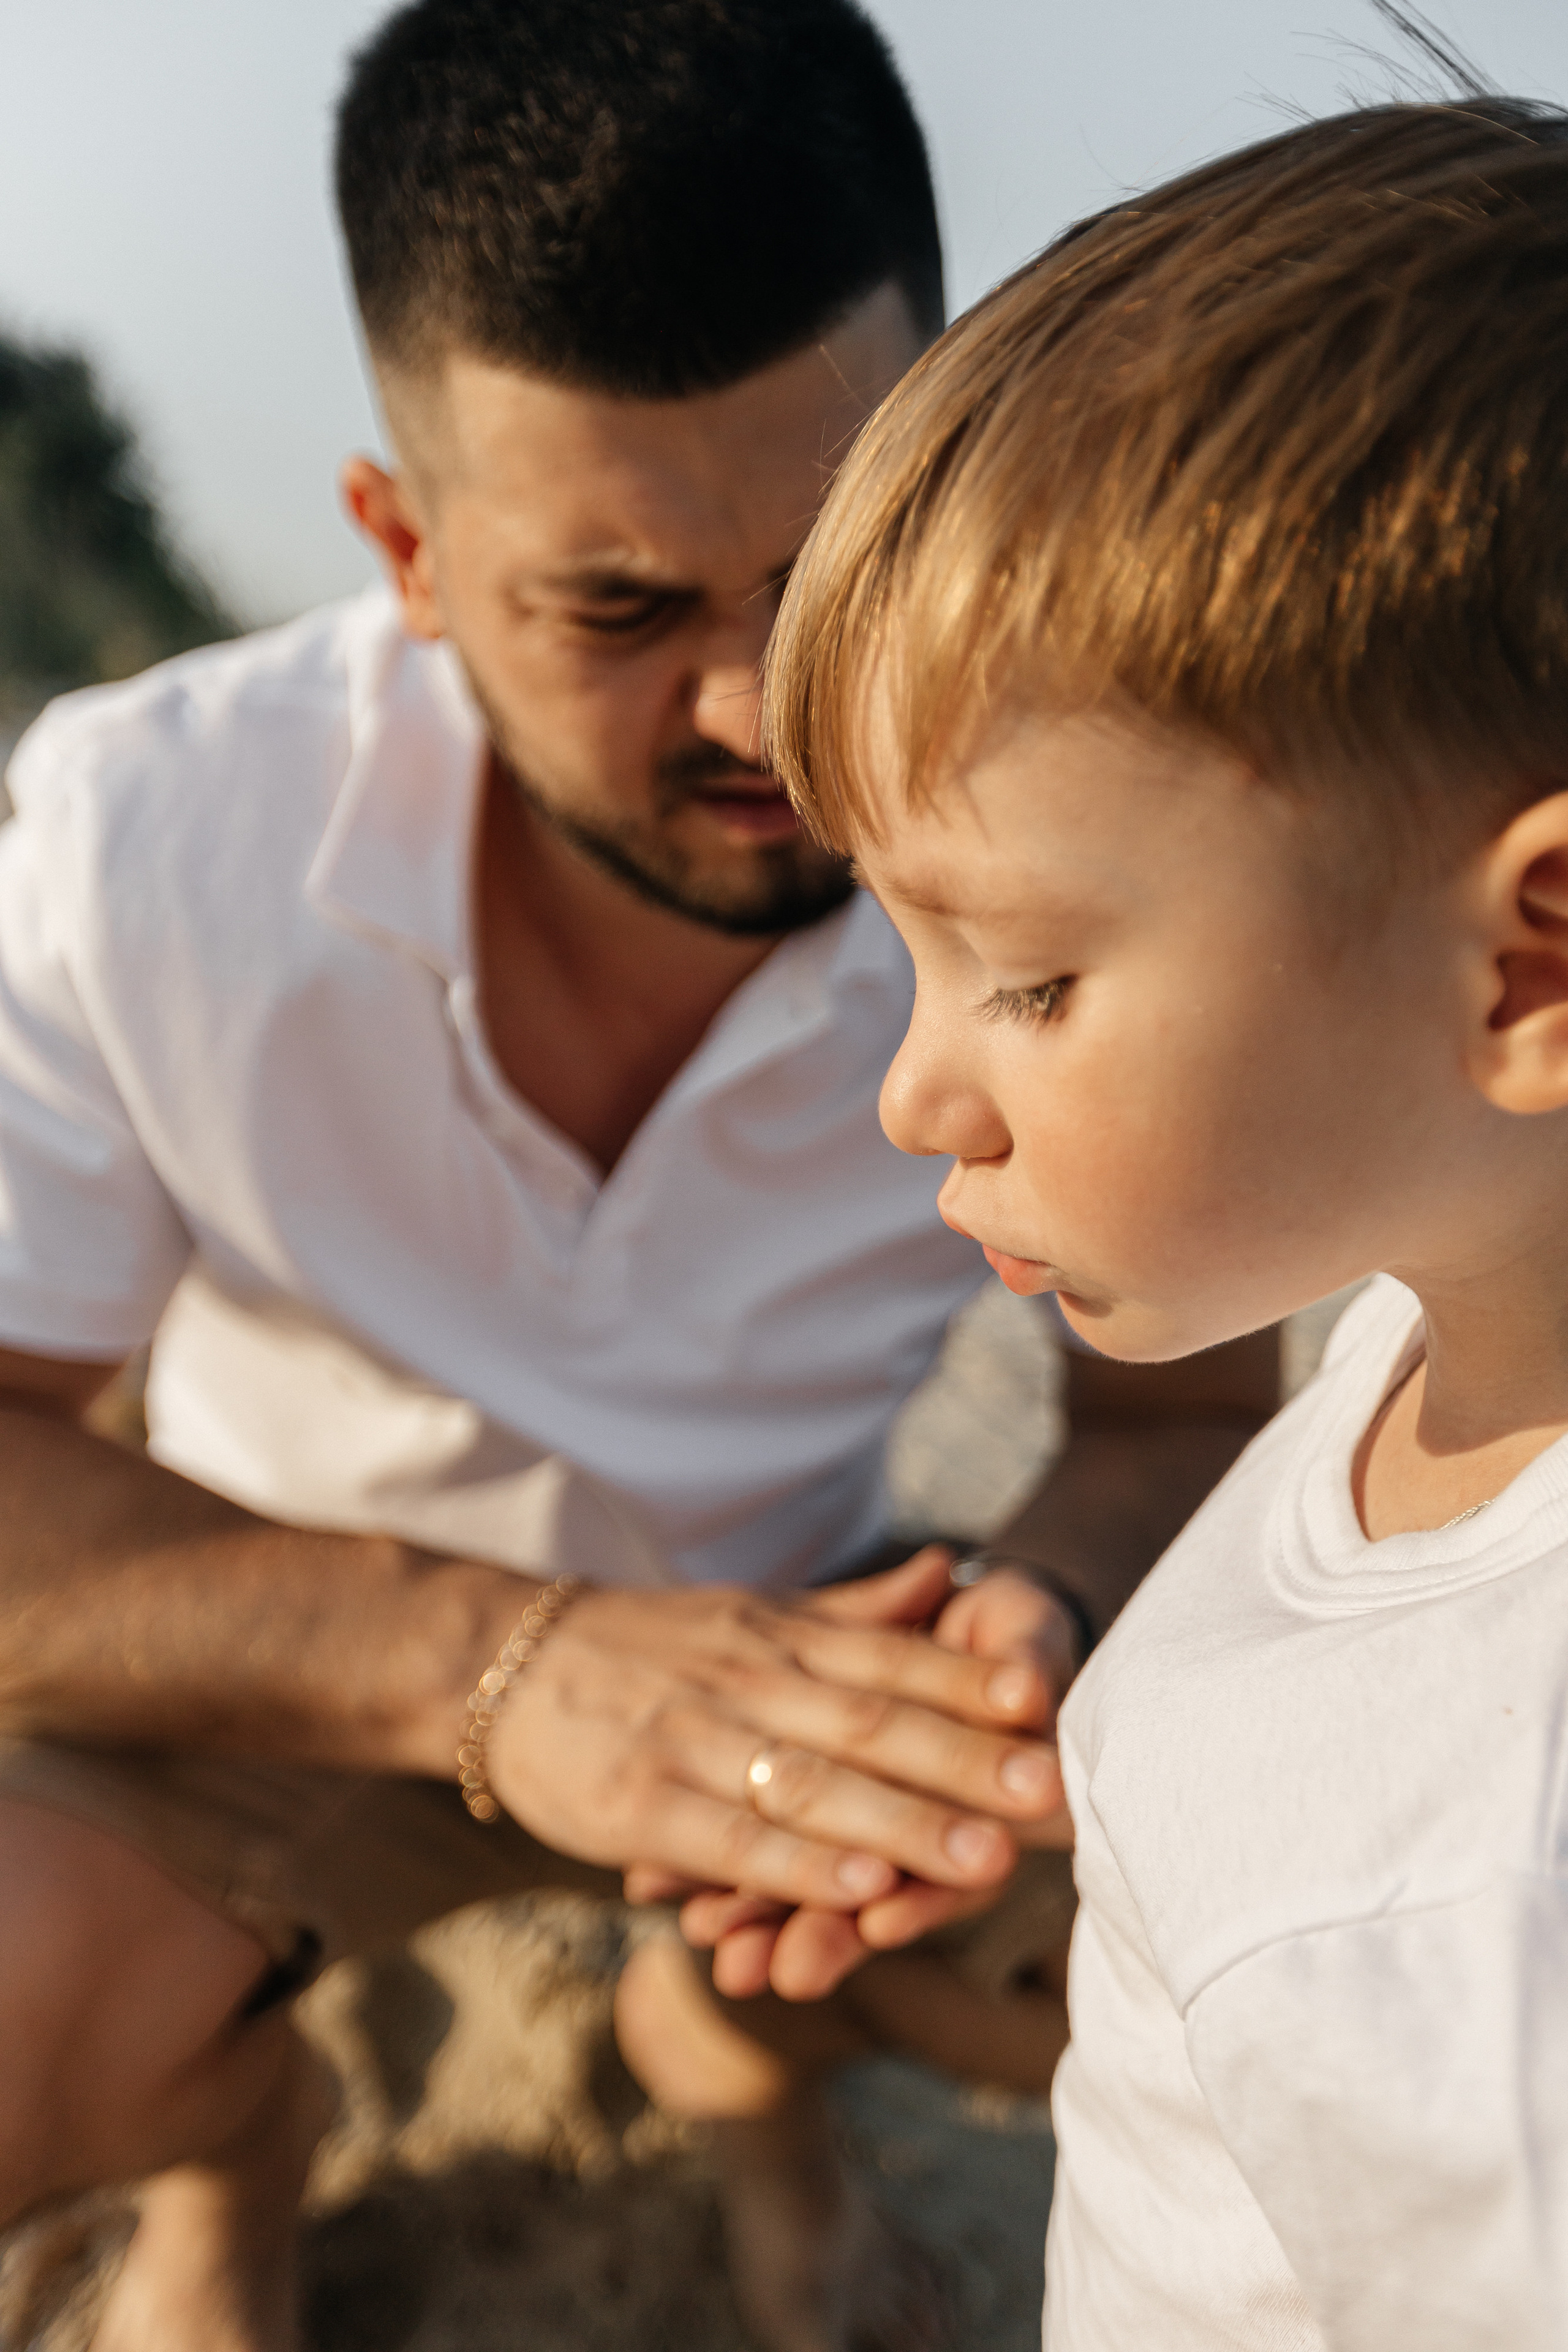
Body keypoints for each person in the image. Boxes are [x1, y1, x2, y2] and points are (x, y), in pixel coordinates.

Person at [0, 5, 1278, 2348]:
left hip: (817, 1653)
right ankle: (225, 2149)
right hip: (265, 1684)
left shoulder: (1105, 844)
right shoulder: (138, 834)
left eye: (829, 569)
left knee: (1227, 1967)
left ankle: (735, 2055)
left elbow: (1173, 1428)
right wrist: (507, 1670)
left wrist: (1037, 1620)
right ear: (404, 546)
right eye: (619, 608)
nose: (760, 711)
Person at [763, 84, 1568, 2352]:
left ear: (1535, 963)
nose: (920, 1082)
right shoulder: (1455, 1339)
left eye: (1024, 973)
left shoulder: (1475, 1897)